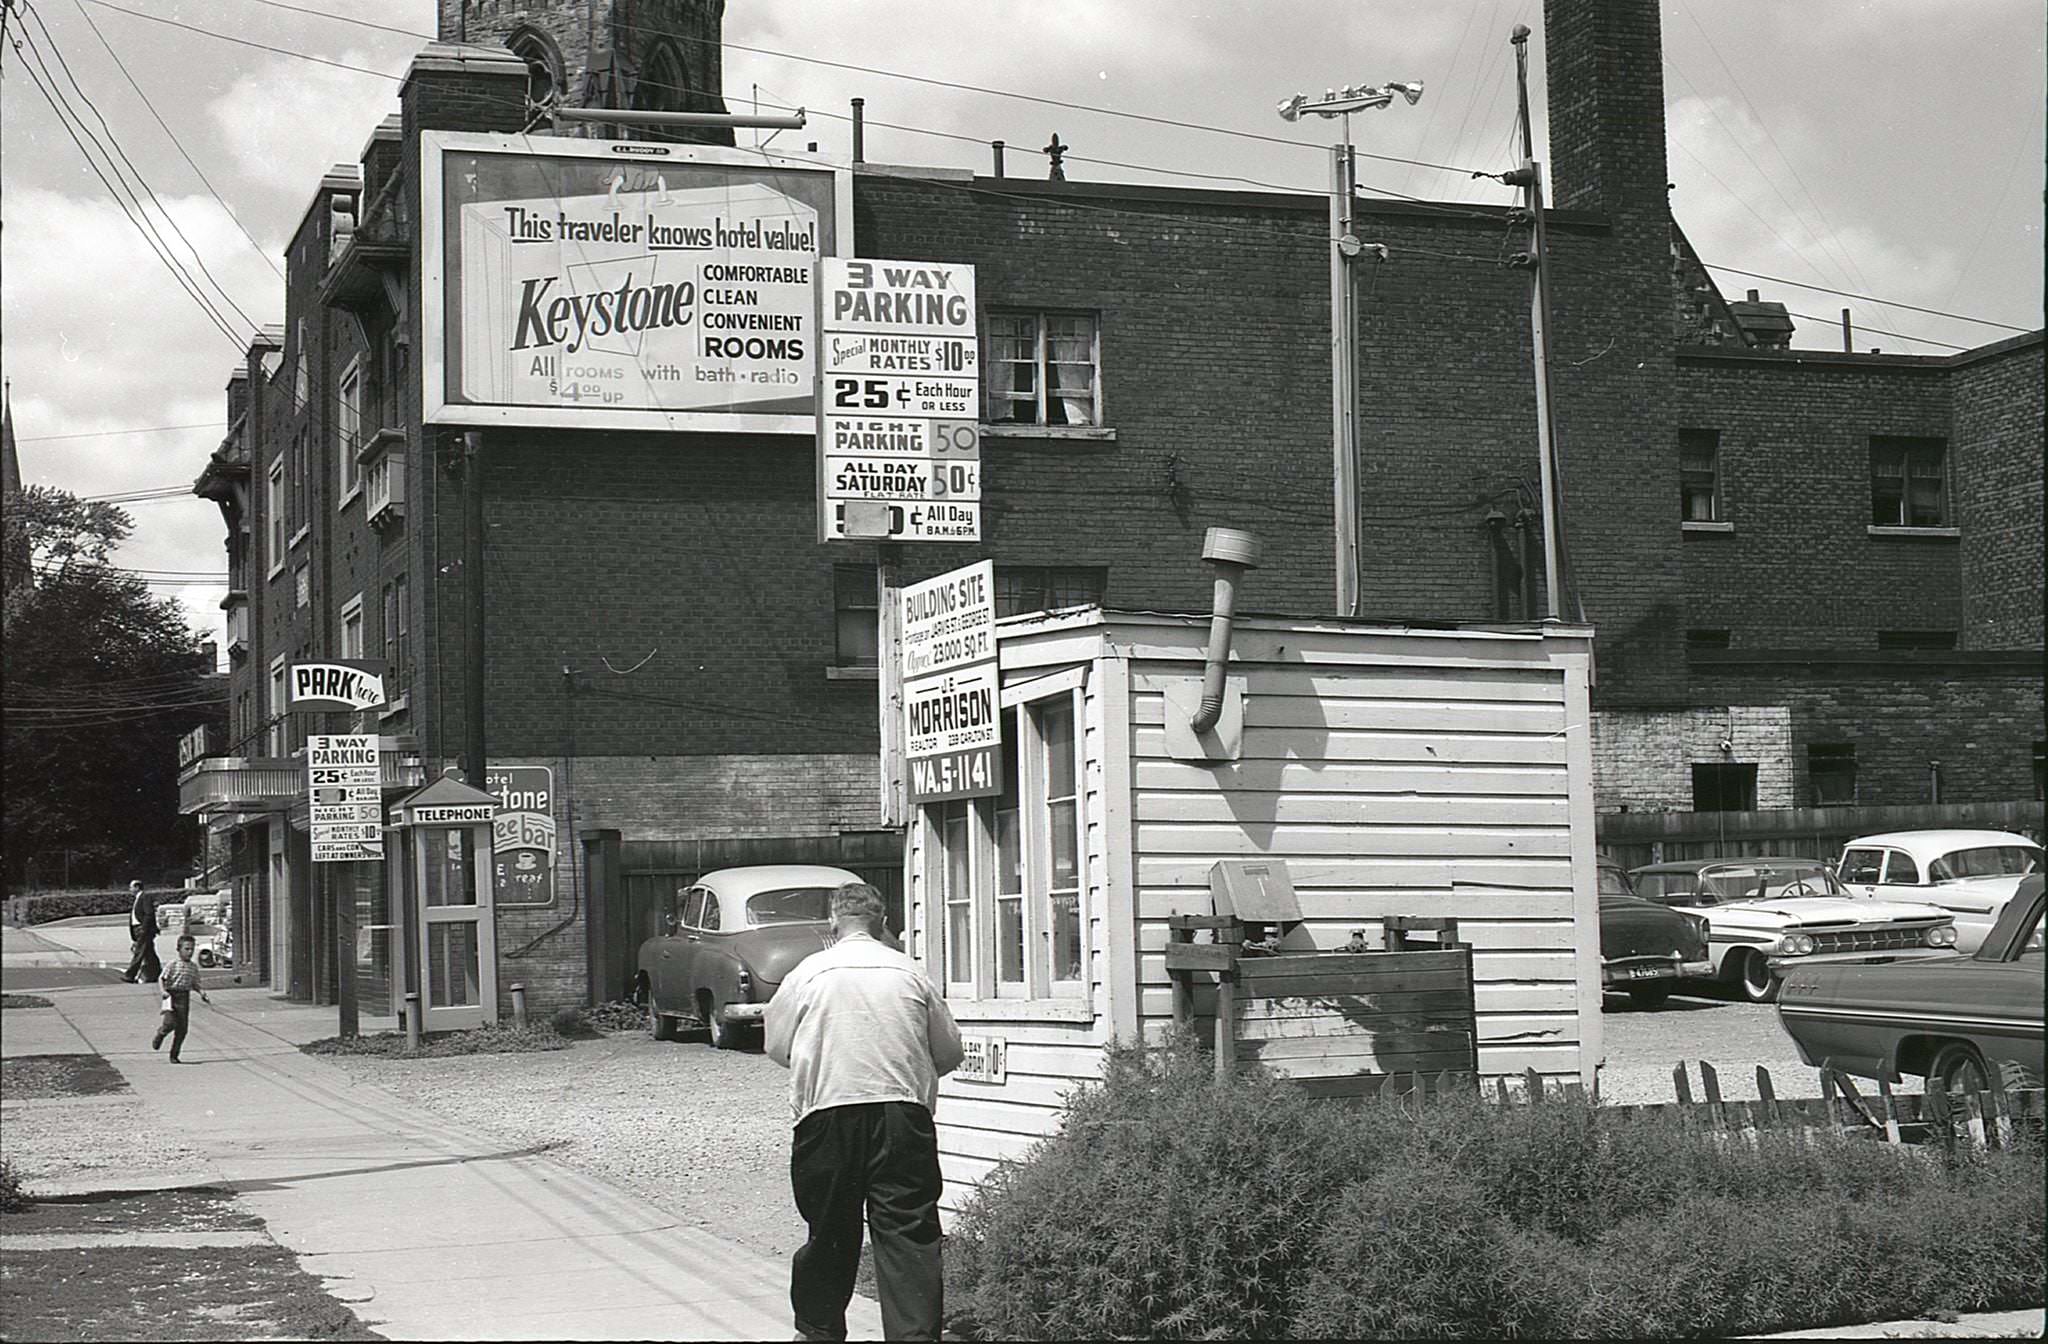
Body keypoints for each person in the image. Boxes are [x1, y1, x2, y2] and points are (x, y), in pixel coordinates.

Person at [765, 882, 964, 1343]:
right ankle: (914, 1336)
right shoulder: (910, 973)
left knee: (830, 1229)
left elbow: (777, 1047)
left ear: (833, 922)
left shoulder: (809, 972)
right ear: (883, 921)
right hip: (901, 1114)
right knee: (908, 1231)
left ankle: (818, 1332)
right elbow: (949, 1051)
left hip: (826, 1113)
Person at [153, 933, 210, 1062]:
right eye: (186, 949)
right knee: (170, 1023)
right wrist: (163, 991)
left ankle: (174, 1055)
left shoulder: (193, 967)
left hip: (184, 997)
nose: (189, 952)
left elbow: (195, 983)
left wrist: (201, 993)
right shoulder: (173, 964)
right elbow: (162, 978)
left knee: (182, 1029)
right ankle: (161, 1034)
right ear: (178, 949)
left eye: (192, 949)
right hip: (171, 996)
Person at [121, 881, 161, 985]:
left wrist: (144, 928)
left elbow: (149, 914)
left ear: (137, 887)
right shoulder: (138, 899)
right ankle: (157, 974)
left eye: (131, 887)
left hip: (143, 929)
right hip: (138, 929)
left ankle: (130, 975)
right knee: (149, 954)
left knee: (139, 952)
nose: (130, 889)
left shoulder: (145, 897)